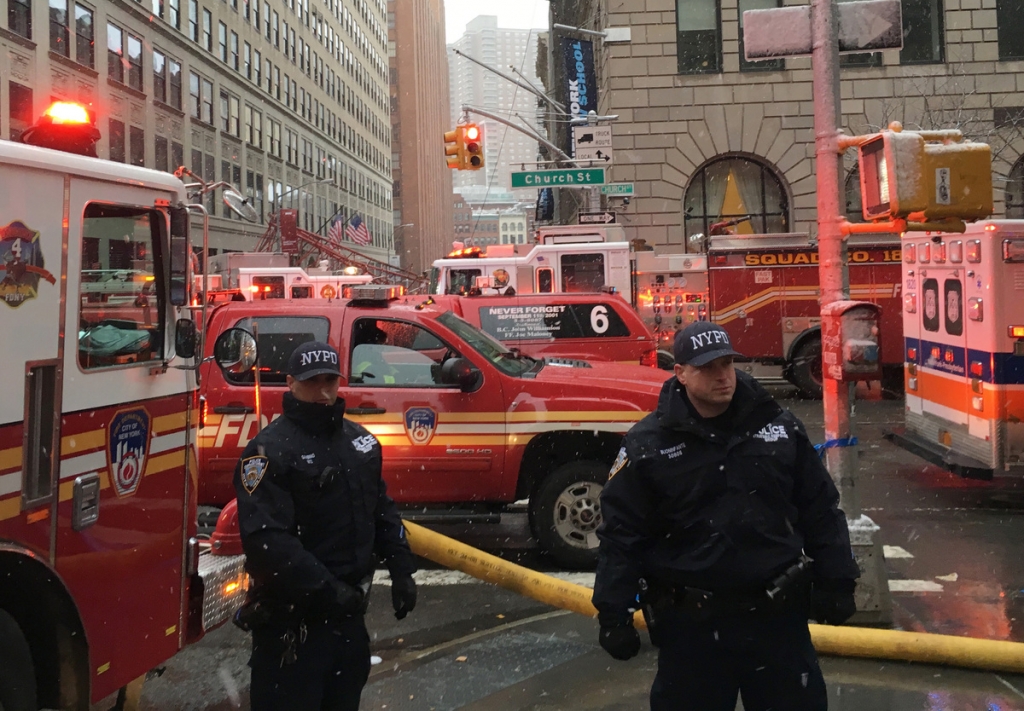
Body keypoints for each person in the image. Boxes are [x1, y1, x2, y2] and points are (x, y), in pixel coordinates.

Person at [592, 321, 860, 711]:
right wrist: (614, 612)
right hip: (693, 630)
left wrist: (838, 579)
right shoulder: (648, 445)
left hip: (776, 621)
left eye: (727, 364)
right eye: (708, 367)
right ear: (680, 373)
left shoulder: (778, 428)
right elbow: (621, 534)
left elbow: (820, 509)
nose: (722, 376)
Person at [233, 340, 418, 711]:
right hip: (294, 628)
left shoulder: (360, 442)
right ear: (290, 382)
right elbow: (267, 542)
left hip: (348, 624)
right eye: (312, 381)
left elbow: (380, 509)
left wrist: (401, 568)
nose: (323, 391)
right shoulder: (268, 452)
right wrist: (329, 592)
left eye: (330, 380)